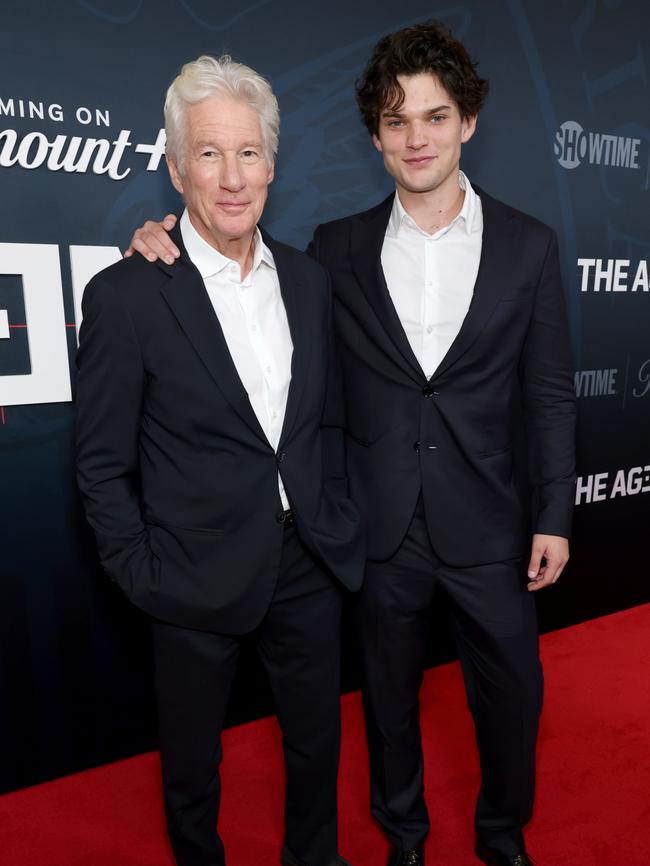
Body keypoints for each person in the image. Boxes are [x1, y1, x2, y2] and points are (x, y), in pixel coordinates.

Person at [127, 22, 576, 866]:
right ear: (375, 136)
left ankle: (501, 830)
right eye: (398, 121)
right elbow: (232, 275)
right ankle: (402, 834)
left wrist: (554, 513)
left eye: (435, 118)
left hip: (490, 523)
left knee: (514, 700)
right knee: (387, 705)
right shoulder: (333, 253)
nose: (417, 138)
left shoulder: (530, 245)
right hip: (377, 527)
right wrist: (160, 241)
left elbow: (549, 393)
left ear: (468, 123)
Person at [76, 54, 364, 866]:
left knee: (315, 745)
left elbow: (329, 421)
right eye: (208, 153)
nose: (231, 177)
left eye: (246, 153)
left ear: (272, 164)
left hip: (308, 557)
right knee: (195, 766)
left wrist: (334, 513)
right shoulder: (128, 295)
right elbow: (101, 463)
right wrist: (144, 574)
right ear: (174, 168)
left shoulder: (310, 283)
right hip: (190, 575)